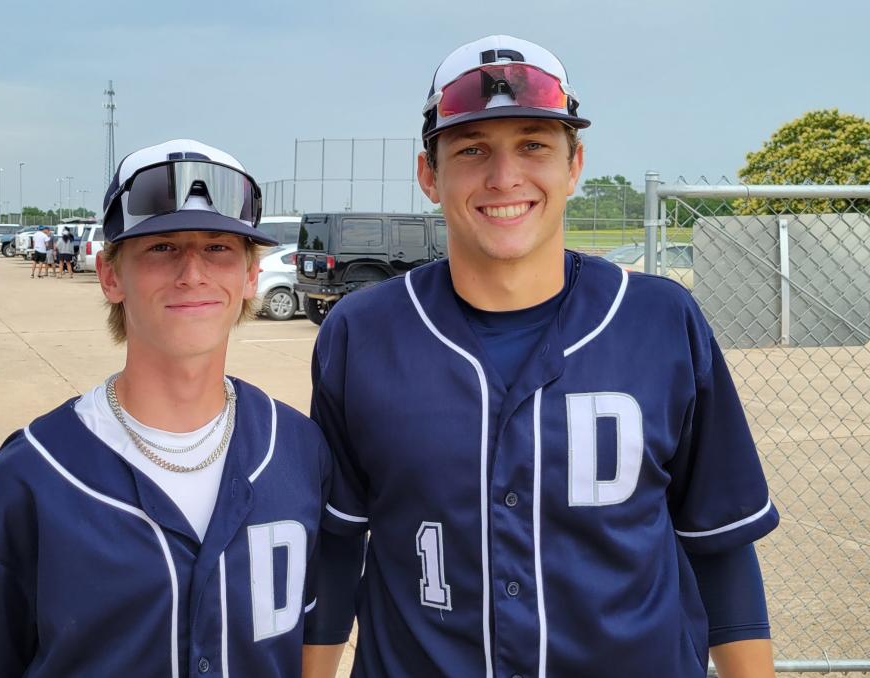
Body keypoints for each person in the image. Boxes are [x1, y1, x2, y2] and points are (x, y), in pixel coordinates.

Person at [303, 36, 780, 678]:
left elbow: (719, 544)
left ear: (574, 164)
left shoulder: (660, 320)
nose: (505, 178)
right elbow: (338, 544)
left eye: (533, 144)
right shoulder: (361, 332)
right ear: (428, 174)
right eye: (472, 149)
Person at [0, 139, 332, 677]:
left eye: (219, 247)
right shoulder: (26, 479)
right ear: (110, 274)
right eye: (161, 247)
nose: (193, 272)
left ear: (249, 276)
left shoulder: (297, 448)